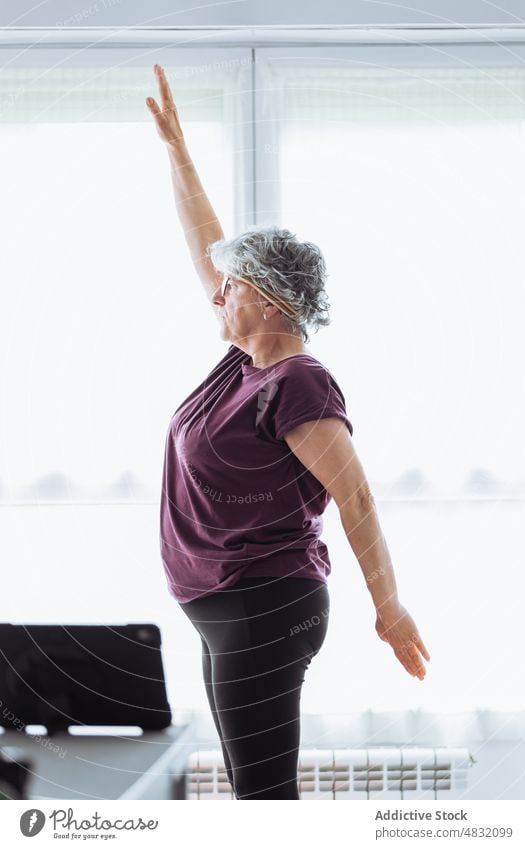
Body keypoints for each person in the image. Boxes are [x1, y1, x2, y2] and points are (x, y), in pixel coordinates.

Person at [146, 63, 431, 800]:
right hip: (226, 610)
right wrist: (178, 152)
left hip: (265, 604)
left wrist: (389, 607)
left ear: (271, 302)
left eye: (234, 285)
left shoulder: (297, 380)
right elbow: (206, 245)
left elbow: (356, 496)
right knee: (255, 790)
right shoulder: (241, 365)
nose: (217, 291)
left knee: (263, 798)